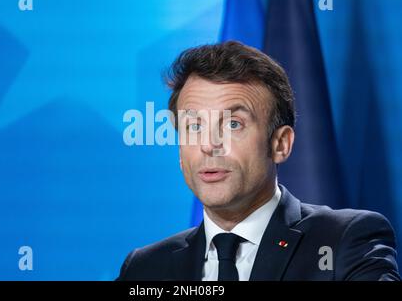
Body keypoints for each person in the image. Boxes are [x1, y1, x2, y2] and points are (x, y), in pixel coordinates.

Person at [116, 41, 400, 281]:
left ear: (280, 144)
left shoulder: (345, 242)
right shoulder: (145, 269)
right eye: (194, 126)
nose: (208, 145)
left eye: (233, 124)